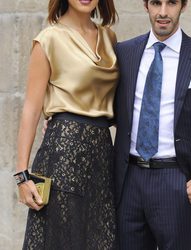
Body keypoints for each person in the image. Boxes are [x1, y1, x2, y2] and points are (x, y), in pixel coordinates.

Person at [114, 0, 191, 249]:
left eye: (171, 3)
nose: (163, 12)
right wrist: (60, 117)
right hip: (129, 179)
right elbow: (106, 107)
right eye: (156, 3)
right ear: (145, 5)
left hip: (175, 180)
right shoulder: (124, 53)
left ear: (184, 5)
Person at [14, 0, 118, 249]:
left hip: (103, 157)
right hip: (63, 155)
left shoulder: (109, 38)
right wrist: (22, 176)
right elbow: (31, 109)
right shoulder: (48, 39)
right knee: (64, 240)